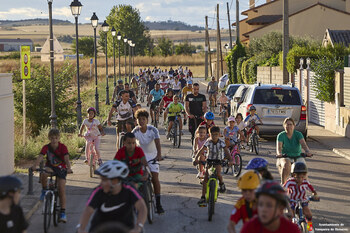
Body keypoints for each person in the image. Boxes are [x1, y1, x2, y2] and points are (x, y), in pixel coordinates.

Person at [76, 161, 147, 233]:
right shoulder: (98, 191)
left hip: (125, 228)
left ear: (115, 181)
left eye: (104, 180)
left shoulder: (129, 189)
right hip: (100, 228)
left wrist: (138, 227)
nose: (101, 183)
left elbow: (142, 207)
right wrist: (81, 228)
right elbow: (88, 210)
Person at [31, 128, 73, 223]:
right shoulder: (46, 147)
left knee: (61, 189)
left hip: (61, 168)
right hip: (50, 166)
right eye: (52, 138)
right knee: (43, 172)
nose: (54, 140)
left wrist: (69, 168)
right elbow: (40, 157)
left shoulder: (63, 147)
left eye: (56, 138)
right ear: (49, 138)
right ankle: (44, 189)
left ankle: (62, 212)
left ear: (59, 138)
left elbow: (66, 159)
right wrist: (34, 166)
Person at [132, 109, 165, 214]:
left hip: (152, 157)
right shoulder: (135, 131)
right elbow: (131, 145)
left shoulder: (153, 130)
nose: (141, 121)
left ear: (147, 120)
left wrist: (159, 155)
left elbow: (158, 143)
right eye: (139, 119)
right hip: (140, 157)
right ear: (136, 121)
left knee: (155, 178)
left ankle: (158, 203)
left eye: (143, 119)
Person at [194, 126, 233, 206]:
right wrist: (196, 158)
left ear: (219, 134)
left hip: (218, 161)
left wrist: (231, 159)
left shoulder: (221, 142)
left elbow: (226, 151)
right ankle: (203, 197)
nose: (214, 136)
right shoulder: (208, 141)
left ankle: (222, 184)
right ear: (209, 135)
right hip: (209, 160)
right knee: (205, 179)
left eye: (216, 134)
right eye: (212, 134)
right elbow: (201, 150)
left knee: (218, 174)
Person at [284, 162, 319, 233]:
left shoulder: (306, 182)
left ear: (305, 175)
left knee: (308, 215)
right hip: (292, 201)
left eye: (302, 177)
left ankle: (310, 227)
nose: (300, 179)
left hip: (303, 200)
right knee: (290, 215)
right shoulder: (290, 182)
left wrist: (315, 195)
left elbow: (312, 190)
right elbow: (283, 188)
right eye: (298, 177)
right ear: (293, 175)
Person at [276, 117, 312, 184]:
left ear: (294, 126)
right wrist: (279, 153)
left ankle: (304, 187)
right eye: (287, 125)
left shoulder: (298, 134)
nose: (289, 126)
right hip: (285, 156)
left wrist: (307, 152)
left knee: (303, 170)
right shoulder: (281, 135)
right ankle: (283, 184)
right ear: (284, 126)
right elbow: (279, 148)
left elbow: (304, 145)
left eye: (290, 124)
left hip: (298, 156)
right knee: (286, 165)